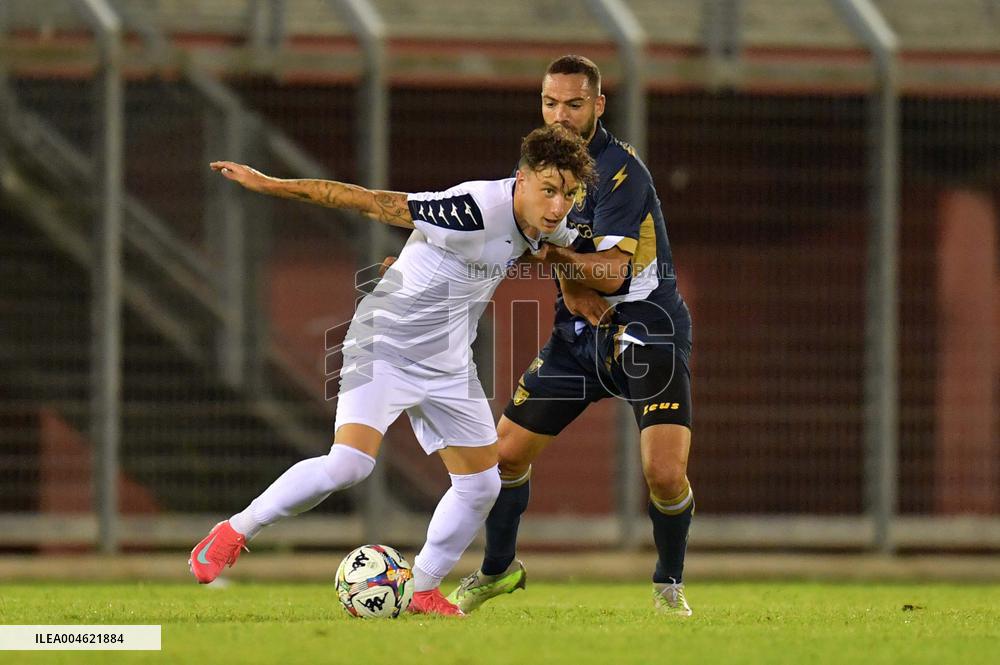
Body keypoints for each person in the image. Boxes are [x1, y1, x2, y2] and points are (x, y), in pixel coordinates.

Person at [188, 124, 596, 617]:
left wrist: (578, 278)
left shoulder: (550, 220)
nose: (558, 206)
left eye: (568, 194)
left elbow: (563, 250)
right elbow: (367, 201)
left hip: (449, 364)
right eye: (549, 191)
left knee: (482, 486)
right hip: (384, 345)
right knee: (349, 465)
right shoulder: (470, 209)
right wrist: (269, 184)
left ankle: (422, 588)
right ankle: (234, 530)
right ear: (523, 179)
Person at [447, 55, 695, 616]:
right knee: (504, 456)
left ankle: (668, 583)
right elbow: (516, 233)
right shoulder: (537, 166)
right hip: (579, 335)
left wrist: (553, 261)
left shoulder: (622, 172)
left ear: (598, 105)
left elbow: (611, 274)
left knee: (664, 474)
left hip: (646, 328)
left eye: (574, 104)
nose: (560, 116)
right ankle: (498, 570)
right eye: (550, 103)